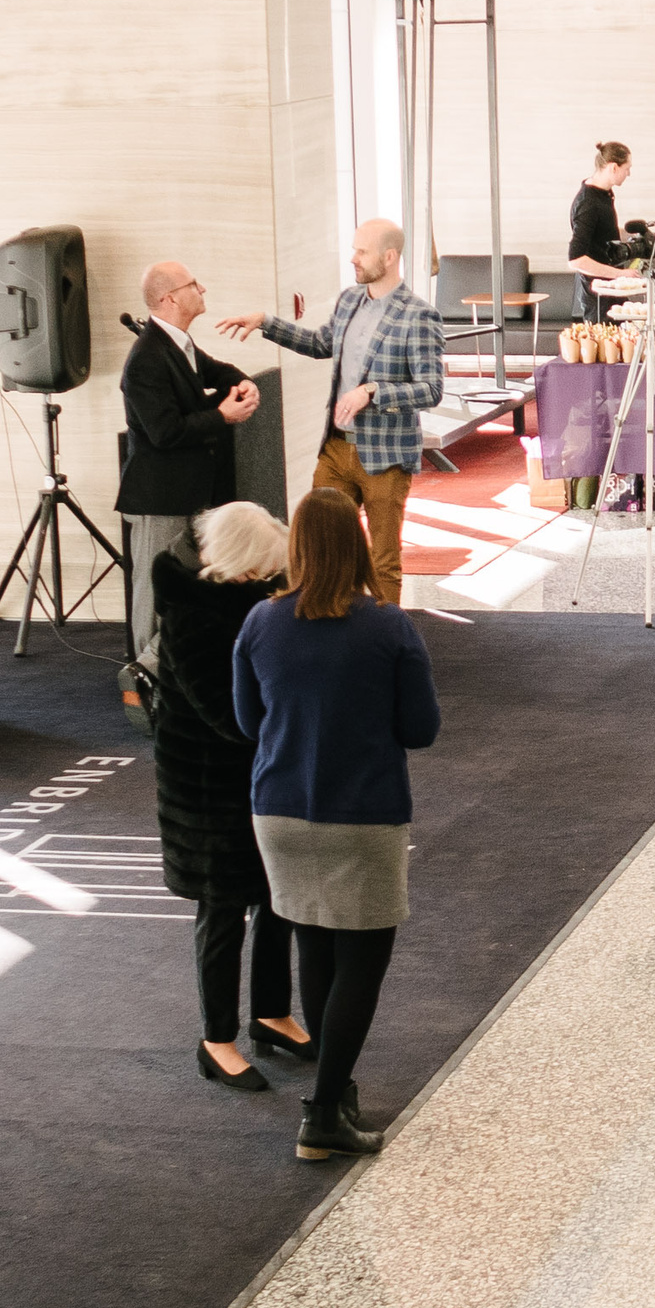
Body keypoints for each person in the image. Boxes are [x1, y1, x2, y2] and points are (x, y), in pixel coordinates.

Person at [233, 487, 442, 1160]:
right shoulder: (387, 626)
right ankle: (323, 1113)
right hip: (363, 812)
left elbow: (247, 723)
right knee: (363, 961)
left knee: (315, 949)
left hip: (280, 813)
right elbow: (422, 728)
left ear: (294, 548)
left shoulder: (260, 624)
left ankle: (335, 1091)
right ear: (356, 545)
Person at [152, 501, 309, 1094]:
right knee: (221, 911)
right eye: (261, 569)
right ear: (237, 563)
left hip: (258, 776)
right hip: (207, 789)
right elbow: (226, 715)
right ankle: (215, 1040)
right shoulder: (194, 614)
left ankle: (270, 1014)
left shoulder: (246, 601)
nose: (270, 579)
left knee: (277, 900)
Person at [217, 220, 445, 609]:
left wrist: (373, 391)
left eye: (362, 251)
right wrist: (267, 323)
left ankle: (382, 639)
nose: (353, 258)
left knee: (382, 560)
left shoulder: (417, 316)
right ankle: (321, 623)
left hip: (386, 457)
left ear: (389, 257)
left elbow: (431, 390)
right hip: (336, 451)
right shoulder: (349, 301)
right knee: (317, 546)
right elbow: (320, 343)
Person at [118, 261, 262, 668]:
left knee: (184, 590)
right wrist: (224, 417)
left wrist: (243, 381)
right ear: (170, 298)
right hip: (159, 498)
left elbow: (217, 369)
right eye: (193, 284)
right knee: (154, 593)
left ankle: (173, 678)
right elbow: (163, 432)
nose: (203, 288)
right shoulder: (146, 357)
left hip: (188, 493)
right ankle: (144, 680)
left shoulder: (176, 343)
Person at [568, 140, 655, 281]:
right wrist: (620, 273)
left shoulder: (604, 194)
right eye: (627, 169)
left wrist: (637, 236)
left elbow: (602, 233)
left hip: (611, 286)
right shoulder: (588, 204)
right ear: (614, 167)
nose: (629, 174)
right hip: (596, 294)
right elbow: (576, 260)